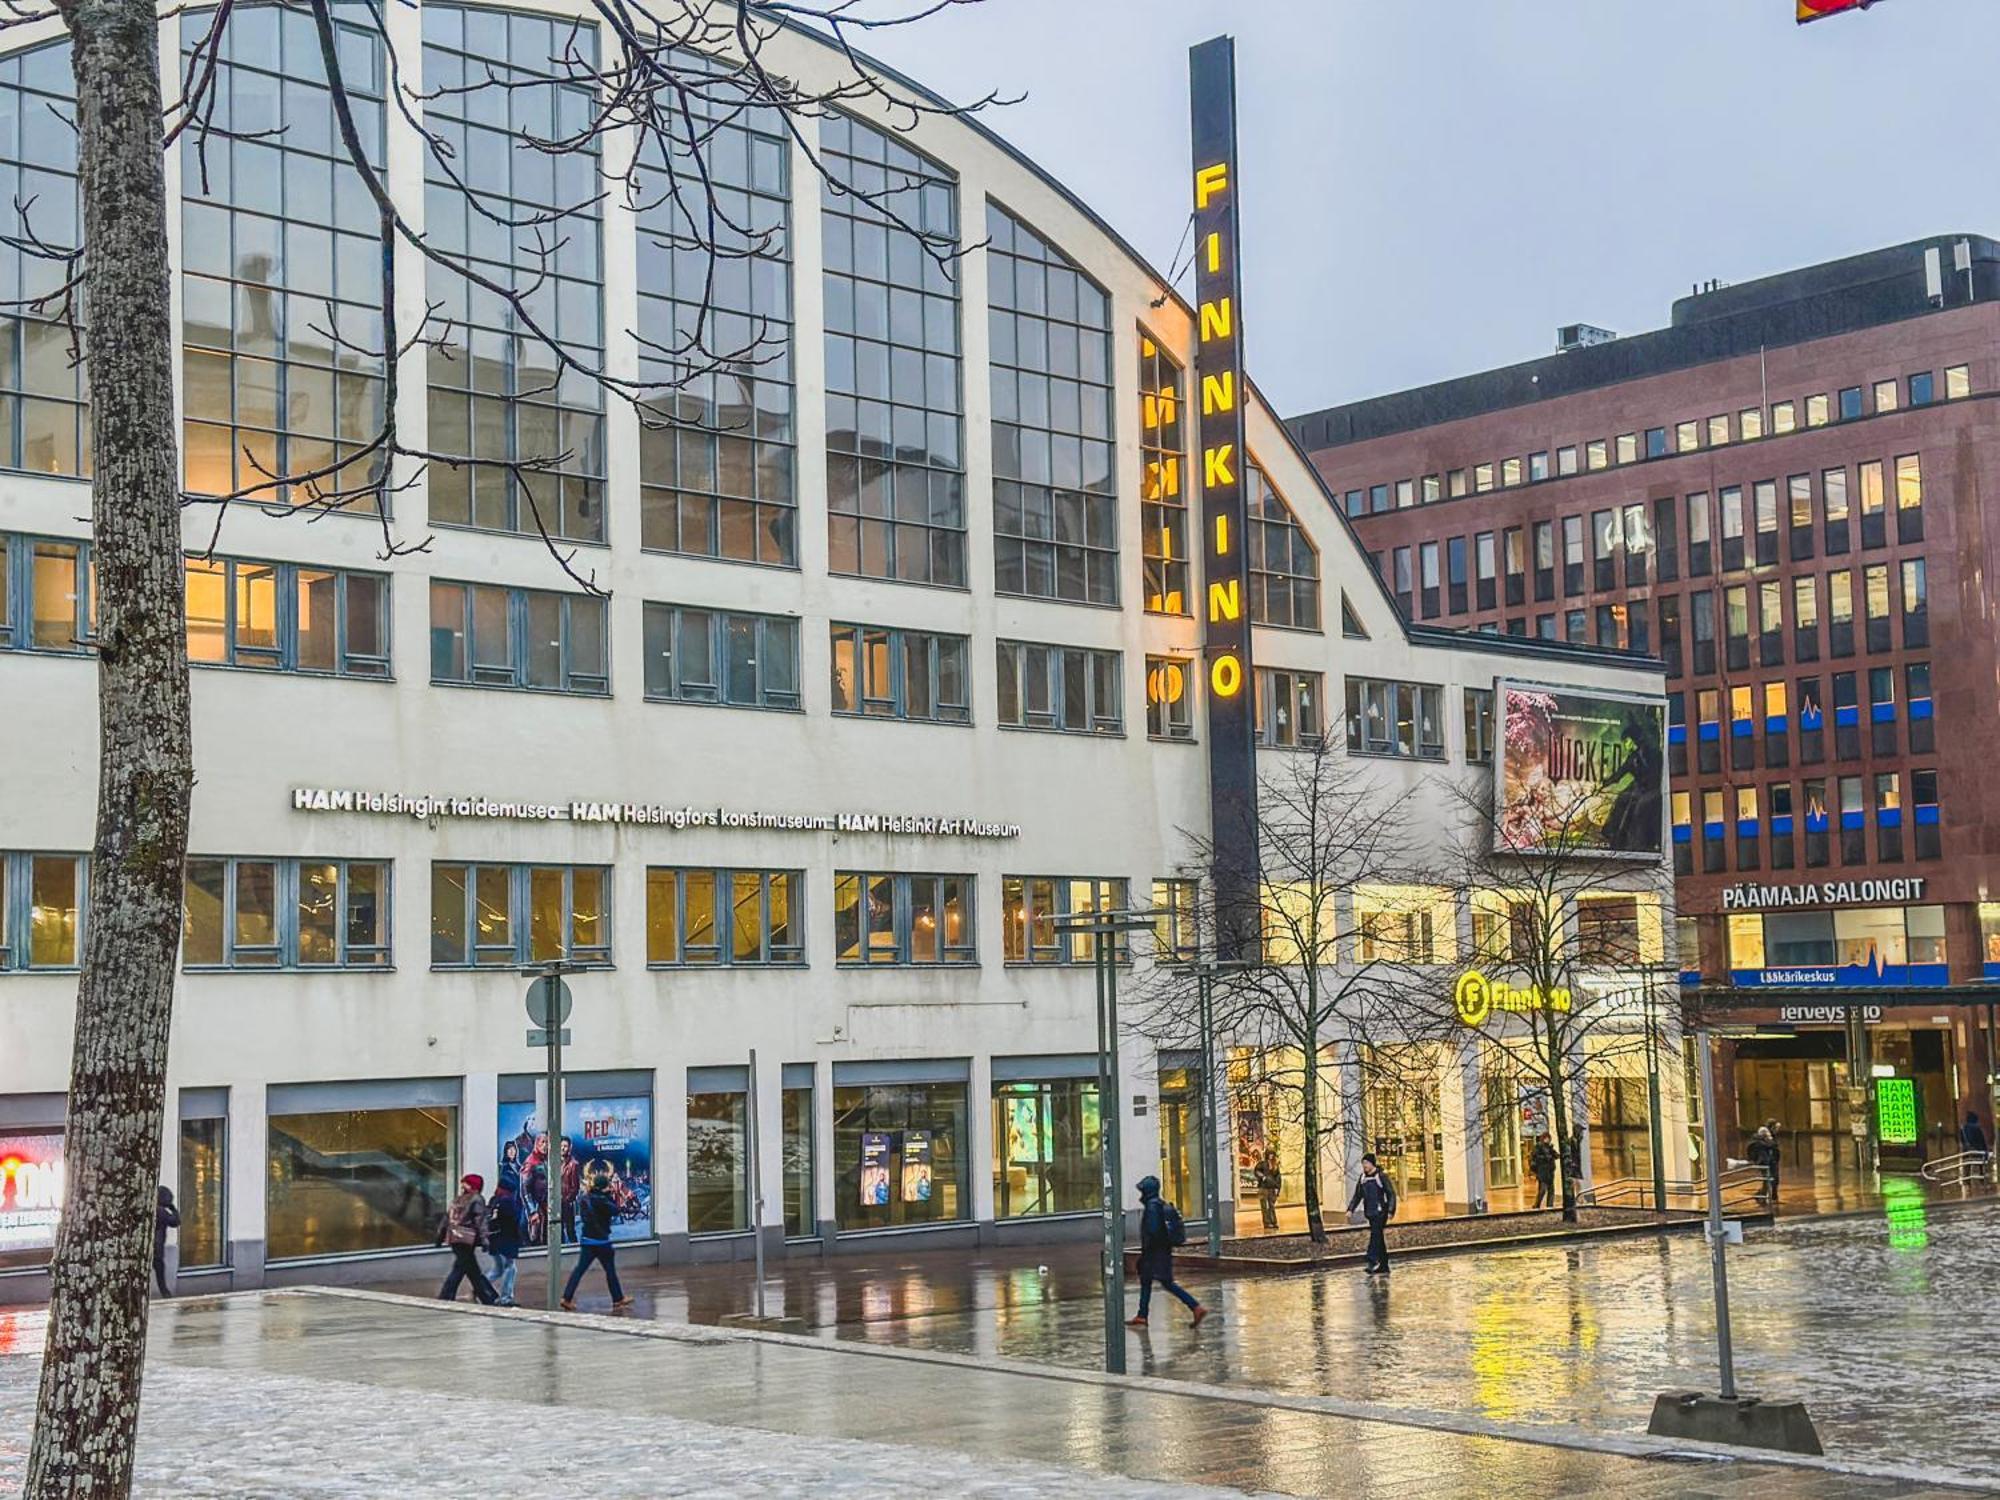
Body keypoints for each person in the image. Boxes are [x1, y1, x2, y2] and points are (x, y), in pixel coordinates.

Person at [1126, 1175, 1206, 1328]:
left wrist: (1147, 1253)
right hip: (1160, 1252)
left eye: (1142, 1190)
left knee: (1167, 1283)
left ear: (1147, 1191)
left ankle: (1196, 1307)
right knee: (1146, 1281)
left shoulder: (1152, 1207)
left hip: (1155, 1253)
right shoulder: (1158, 1204)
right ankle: (1142, 1315)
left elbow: (1154, 1231)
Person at [561, 1170, 635, 1311]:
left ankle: (566, 1298)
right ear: (604, 1187)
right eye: (607, 1186)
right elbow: (615, 1210)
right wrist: (610, 1195)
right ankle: (618, 1299)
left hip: (587, 1240)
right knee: (610, 1271)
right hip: (601, 1241)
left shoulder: (585, 1198)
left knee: (579, 1270)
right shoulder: (602, 1200)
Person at [435, 1173, 501, 1305]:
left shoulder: (458, 1199)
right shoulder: (477, 1199)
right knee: (469, 1270)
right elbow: (480, 1222)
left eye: (464, 1183)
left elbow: (446, 1218)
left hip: (454, 1237)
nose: (462, 1186)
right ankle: (487, 1297)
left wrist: (440, 1236)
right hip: (467, 1239)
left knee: (464, 1268)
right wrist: (485, 1240)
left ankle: (487, 1296)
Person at [1348, 1153, 1397, 1275]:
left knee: (1375, 1235)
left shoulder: (1381, 1177)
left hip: (1381, 1212)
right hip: (1370, 1212)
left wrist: (1391, 1210)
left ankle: (1371, 1260)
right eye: (1363, 1163)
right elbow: (1357, 1195)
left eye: (1366, 1163)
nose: (1364, 1166)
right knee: (1378, 1237)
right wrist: (1350, 1209)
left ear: (1372, 1164)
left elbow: (1391, 1194)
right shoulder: (1362, 1178)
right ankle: (1384, 1265)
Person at [486, 1174, 526, 1306]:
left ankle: (481, 1286)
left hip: (495, 1239)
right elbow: (513, 1220)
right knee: (510, 1268)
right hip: (506, 1240)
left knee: (498, 1269)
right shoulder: (507, 1201)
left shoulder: (494, 1200)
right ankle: (506, 1297)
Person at [152, 1185, 180, 1298]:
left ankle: (164, 1291)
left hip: (152, 1246)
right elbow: (175, 1222)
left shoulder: (154, 1209)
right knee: (159, 1270)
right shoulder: (161, 1211)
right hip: (157, 1247)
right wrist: (173, 1209)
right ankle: (165, 1292)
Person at [1747, 1126, 1779, 1206]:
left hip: (1770, 1162)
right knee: (1767, 1180)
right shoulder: (1758, 1142)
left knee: (1771, 1180)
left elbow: (1773, 1147)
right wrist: (1770, 1138)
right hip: (1763, 1163)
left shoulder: (1764, 1141)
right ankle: (1761, 1196)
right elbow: (1770, 1145)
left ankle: (1763, 1196)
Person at [1254, 1151, 1283, 1232]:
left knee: (1271, 1206)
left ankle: (1274, 1222)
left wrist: (1278, 1187)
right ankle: (1267, 1222)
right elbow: (1256, 1171)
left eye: (1272, 1155)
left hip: (1272, 1187)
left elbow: (1278, 1177)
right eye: (1270, 1155)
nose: (1271, 1156)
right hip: (1263, 1187)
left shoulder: (1275, 1166)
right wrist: (1262, 1177)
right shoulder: (1262, 1164)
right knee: (1264, 1206)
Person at [1529, 1136, 1557, 1210]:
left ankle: (1550, 1206)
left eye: (1549, 1138)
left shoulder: (1550, 1147)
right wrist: (1545, 1157)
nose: (1548, 1140)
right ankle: (1537, 1204)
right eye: (1546, 1138)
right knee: (1542, 1190)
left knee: (1551, 1190)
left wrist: (1553, 1155)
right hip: (1542, 1172)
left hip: (1550, 1172)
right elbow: (1534, 1157)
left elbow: (1555, 1155)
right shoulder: (1538, 1146)